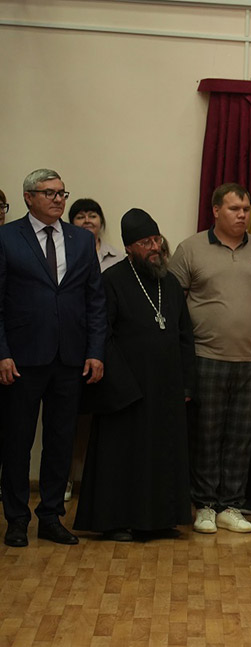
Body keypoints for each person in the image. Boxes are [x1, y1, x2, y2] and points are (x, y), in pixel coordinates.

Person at [169, 182, 251, 535]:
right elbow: (173, 308)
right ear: (216, 210)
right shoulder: (190, 249)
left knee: (241, 437)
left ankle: (231, 505)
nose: (242, 215)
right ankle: (204, 505)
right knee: (206, 435)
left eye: (246, 209)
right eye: (235, 208)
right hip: (205, 357)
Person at [0, 168, 106, 547]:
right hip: (22, 359)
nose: (58, 199)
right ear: (28, 197)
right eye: (49, 193)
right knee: (18, 442)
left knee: (60, 440)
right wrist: (2, 353)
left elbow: (95, 301)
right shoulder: (7, 238)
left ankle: (50, 516)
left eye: (62, 193)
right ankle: (16, 519)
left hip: (70, 358)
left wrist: (95, 351)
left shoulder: (81, 240)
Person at [74, 209, 194, 540]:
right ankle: (116, 522)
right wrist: (122, 383)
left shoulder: (170, 282)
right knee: (123, 457)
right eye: (146, 242)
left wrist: (187, 383)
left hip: (166, 387)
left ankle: (161, 520)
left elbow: (185, 335)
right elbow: (102, 333)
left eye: (156, 239)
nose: (155, 247)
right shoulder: (112, 280)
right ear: (129, 247)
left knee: (162, 453)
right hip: (126, 388)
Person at [68, 198, 124, 271]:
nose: (87, 221)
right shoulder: (65, 255)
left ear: (101, 221)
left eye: (92, 216)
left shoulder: (118, 257)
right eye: (80, 217)